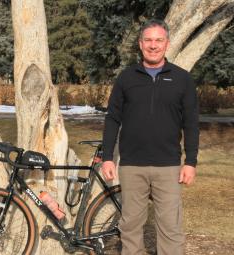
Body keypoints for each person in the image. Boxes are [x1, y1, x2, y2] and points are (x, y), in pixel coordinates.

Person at [101, 19, 199, 255]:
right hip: (132, 165)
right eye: (148, 40)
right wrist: (107, 157)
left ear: (167, 43)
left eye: (158, 40)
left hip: (168, 166)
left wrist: (191, 162)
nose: (153, 45)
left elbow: (191, 123)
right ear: (140, 43)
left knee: (170, 228)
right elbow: (113, 118)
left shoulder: (182, 79)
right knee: (131, 226)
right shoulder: (126, 78)